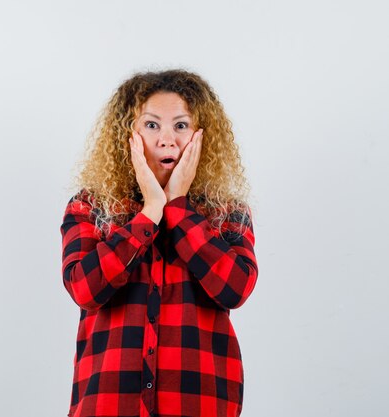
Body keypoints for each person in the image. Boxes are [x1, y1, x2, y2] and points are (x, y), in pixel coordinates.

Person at [59, 69, 259, 417]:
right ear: (129, 134)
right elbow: (84, 288)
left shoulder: (228, 212)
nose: (167, 139)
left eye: (180, 126)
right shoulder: (90, 207)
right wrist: (151, 211)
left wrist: (178, 210)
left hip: (199, 404)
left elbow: (235, 289)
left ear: (201, 135)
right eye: (152, 125)